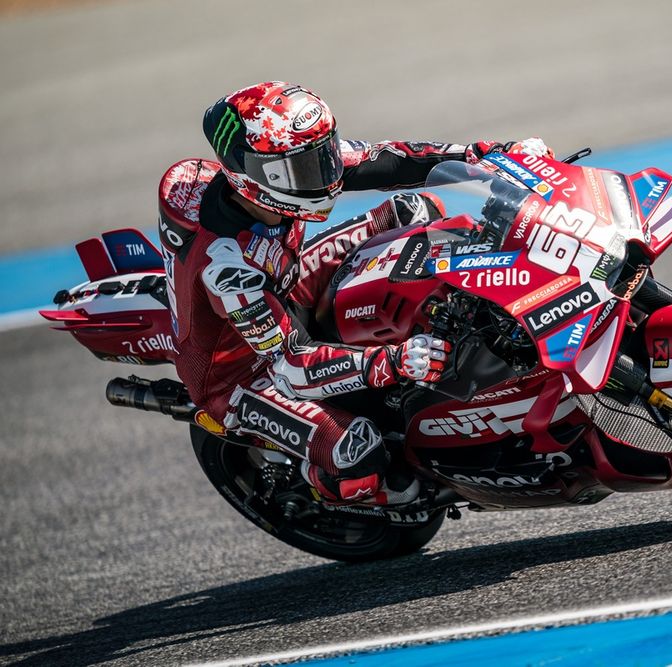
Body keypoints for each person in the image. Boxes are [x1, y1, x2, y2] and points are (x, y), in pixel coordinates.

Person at [158, 81, 552, 504]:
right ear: (250, 175)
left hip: (286, 280)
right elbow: (290, 366)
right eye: (305, 169)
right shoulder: (229, 271)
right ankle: (319, 485)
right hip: (247, 373)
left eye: (323, 155)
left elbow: (386, 159)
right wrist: (394, 362)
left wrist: (487, 155)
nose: (326, 175)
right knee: (360, 455)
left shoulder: (263, 174)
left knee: (414, 212)